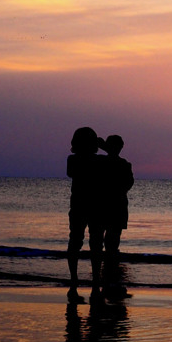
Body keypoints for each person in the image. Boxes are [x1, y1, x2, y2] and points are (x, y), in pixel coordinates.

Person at [66, 127, 105, 302]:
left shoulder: (74, 160)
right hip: (93, 206)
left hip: (81, 206)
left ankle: (76, 279)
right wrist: (103, 146)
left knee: (77, 242)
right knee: (94, 244)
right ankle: (93, 280)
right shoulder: (98, 161)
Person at [100, 134, 134, 300]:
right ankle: (109, 272)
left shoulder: (102, 162)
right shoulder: (124, 164)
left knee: (106, 239)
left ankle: (107, 271)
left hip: (108, 204)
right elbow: (128, 184)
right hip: (116, 204)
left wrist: (104, 146)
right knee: (112, 239)